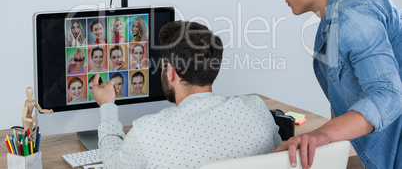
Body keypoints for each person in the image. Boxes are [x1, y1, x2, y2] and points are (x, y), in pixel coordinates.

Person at [275, 0, 402, 169]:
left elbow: (388, 96)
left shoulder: (352, 16)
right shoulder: (338, 8)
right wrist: (331, 141)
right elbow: (342, 85)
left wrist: (324, 133)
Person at [93, 21, 282, 168]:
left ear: (171, 72)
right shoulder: (257, 110)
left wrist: (107, 106)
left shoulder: (148, 132)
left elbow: (113, 165)